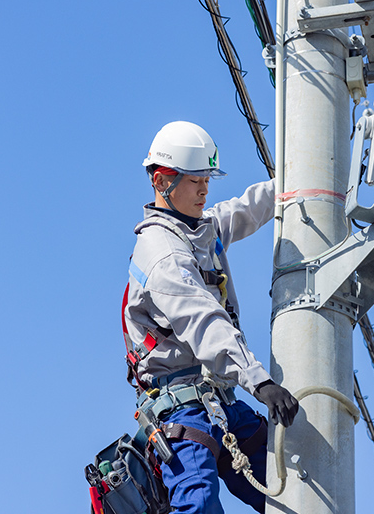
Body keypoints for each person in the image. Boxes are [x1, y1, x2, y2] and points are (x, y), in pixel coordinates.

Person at [122, 120, 298, 514]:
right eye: (193, 179)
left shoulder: (200, 231)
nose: (204, 188)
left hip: (222, 402)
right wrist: (260, 381)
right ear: (162, 180)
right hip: (182, 409)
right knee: (198, 505)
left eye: (206, 178)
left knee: (295, 487)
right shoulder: (162, 253)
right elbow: (203, 320)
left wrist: (301, 174)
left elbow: (245, 209)